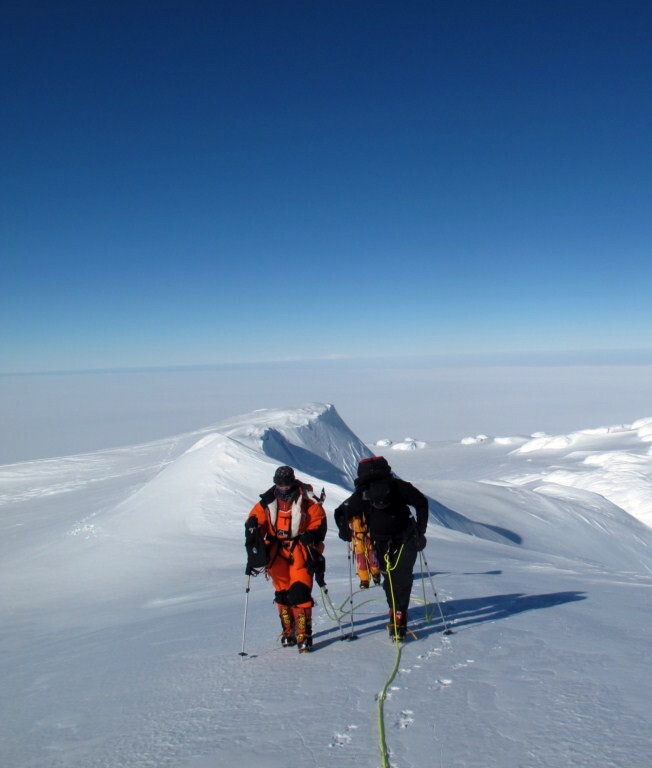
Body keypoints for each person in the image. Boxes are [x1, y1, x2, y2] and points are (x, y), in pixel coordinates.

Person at [334, 456, 428, 639]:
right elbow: (421, 503)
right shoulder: (399, 487)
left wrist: (345, 531)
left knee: (393, 578)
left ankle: (396, 614)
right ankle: (399, 614)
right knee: (400, 578)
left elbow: (341, 512)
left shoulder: (362, 494)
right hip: (405, 538)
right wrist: (421, 530)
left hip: (383, 542)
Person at [244, 465, 327, 653]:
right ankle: (288, 631)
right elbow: (256, 522)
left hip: (300, 551)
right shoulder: (266, 503)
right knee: (282, 594)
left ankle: (304, 634)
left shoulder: (307, 499)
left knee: (300, 592)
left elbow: (318, 522)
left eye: (286, 485)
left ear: (292, 482)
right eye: (279, 486)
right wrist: (254, 537)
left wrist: (311, 536)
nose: (283, 489)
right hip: (275, 553)